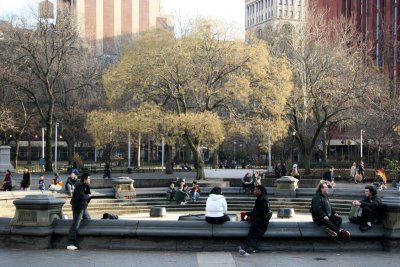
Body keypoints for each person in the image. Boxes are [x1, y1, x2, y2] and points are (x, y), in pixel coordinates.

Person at [239, 185, 272, 255]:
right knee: (251, 230)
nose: (254, 191)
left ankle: (251, 248)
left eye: (255, 190)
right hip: (259, 220)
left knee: (253, 234)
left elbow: (259, 212)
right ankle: (249, 247)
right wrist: (246, 214)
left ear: (259, 191)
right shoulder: (261, 198)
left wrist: (249, 217)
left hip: (260, 221)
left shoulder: (262, 199)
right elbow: (256, 211)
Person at [67, 173, 92, 250]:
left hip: (83, 207)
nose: (90, 180)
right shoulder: (79, 185)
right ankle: (70, 243)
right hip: (78, 208)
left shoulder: (85, 185)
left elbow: (87, 195)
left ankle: (83, 240)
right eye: (88, 179)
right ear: (84, 179)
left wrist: (87, 195)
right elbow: (82, 196)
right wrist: (87, 196)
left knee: (89, 221)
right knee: (75, 225)